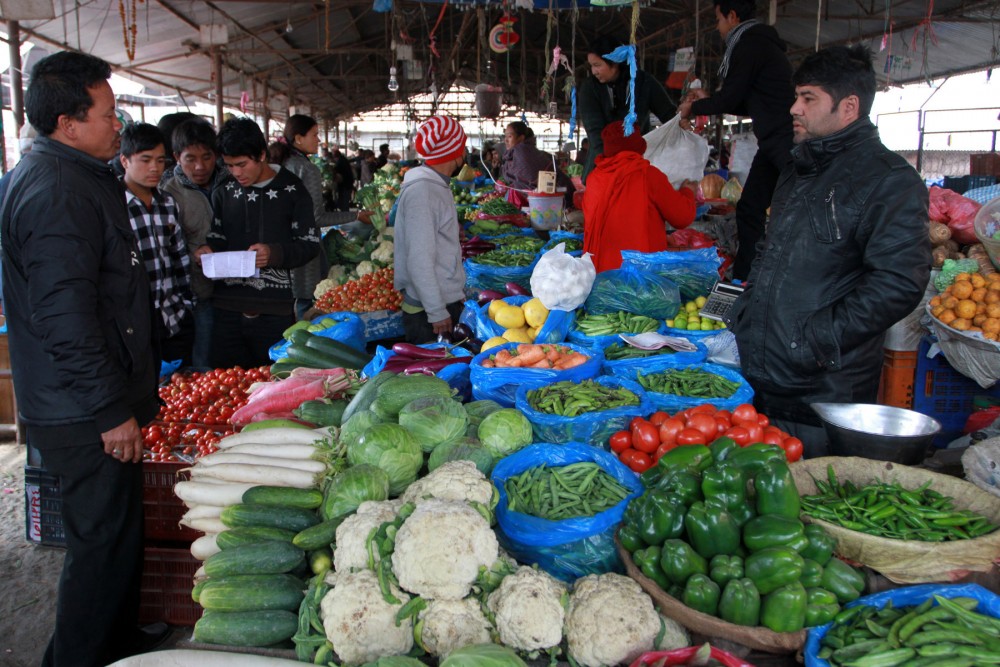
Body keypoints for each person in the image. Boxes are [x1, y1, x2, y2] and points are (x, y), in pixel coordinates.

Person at [0, 51, 165, 666]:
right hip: (78, 406)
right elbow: (64, 318)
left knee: (116, 533)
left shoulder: (67, 175)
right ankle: (74, 657)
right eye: (108, 114)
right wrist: (107, 409)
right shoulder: (59, 192)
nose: (118, 125)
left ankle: (116, 638)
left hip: (82, 398)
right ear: (68, 123)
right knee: (97, 542)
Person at [725, 45, 932, 458]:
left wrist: (819, 338)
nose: (793, 109)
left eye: (808, 98)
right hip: (763, 375)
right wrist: (747, 312)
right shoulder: (798, 170)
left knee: (811, 494)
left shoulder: (889, 181)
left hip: (824, 388)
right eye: (796, 97)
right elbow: (771, 248)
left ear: (849, 107)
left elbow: (899, 282)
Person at [677, 0, 794, 281]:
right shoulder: (758, 45)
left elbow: (730, 98)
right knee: (751, 207)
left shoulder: (750, 45)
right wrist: (708, 101)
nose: (718, 28)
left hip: (786, 140)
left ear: (732, 15)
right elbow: (744, 103)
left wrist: (694, 108)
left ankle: (782, 277)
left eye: (718, 20)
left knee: (789, 213)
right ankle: (746, 278)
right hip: (772, 140)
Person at [199, 117, 319, 368]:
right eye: (230, 166)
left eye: (242, 164)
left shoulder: (292, 190)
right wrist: (207, 250)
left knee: (271, 382)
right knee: (226, 387)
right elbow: (217, 236)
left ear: (261, 155)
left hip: (274, 312)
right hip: (226, 311)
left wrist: (274, 254)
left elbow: (309, 244)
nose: (236, 173)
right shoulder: (224, 190)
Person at [277, 114, 372, 317]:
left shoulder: (283, 164)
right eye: (315, 134)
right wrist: (356, 216)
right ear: (298, 138)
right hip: (303, 249)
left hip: (281, 248)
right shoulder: (307, 169)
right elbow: (317, 218)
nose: (318, 140)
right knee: (306, 308)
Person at [119, 122, 196, 366]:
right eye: (145, 160)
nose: (154, 168)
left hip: (173, 319)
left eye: (160, 160)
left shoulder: (167, 203)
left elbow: (179, 258)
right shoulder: (113, 206)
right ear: (124, 161)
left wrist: (186, 304)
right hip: (134, 324)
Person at [583, 121, 698, 273]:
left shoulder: (594, 178)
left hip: (600, 275)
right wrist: (688, 191)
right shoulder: (648, 175)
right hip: (642, 277)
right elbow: (682, 216)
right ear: (639, 148)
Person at [161, 118, 229, 368]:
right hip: (199, 289)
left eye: (207, 157)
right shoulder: (169, 194)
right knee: (204, 353)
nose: (200, 166)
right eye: (191, 158)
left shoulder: (230, 183)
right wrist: (194, 254)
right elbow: (168, 247)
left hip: (237, 286)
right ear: (177, 156)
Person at [394, 115, 467, 343]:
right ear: (455, 152)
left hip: (440, 302)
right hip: (429, 315)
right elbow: (419, 259)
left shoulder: (434, 185)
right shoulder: (423, 192)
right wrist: (436, 311)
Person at [578, 34, 676, 182]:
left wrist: (682, 122)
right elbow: (596, 135)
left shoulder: (644, 83)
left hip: (638, 169)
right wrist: (618, 171)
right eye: (592, 66)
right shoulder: (589, 89)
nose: (593, 71)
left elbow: (669, 115)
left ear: (615, 62)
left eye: (597, 65)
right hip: (602, 170)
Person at [499, 121, 573, 208]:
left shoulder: (521, 151)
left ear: (521, 137)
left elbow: (531, 180)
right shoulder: (522, 150)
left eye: (510, 136)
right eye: (505, 136)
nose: (506, 140)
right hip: (557, 197)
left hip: (555, 199)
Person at [330, 145, 355, 210]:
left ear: (335, 157)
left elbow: (336, 171)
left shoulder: (340, 162)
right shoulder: (343, 159)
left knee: (344, 203)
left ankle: (345, 217)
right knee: (344, 202)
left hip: (346, 185)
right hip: (347, 184)